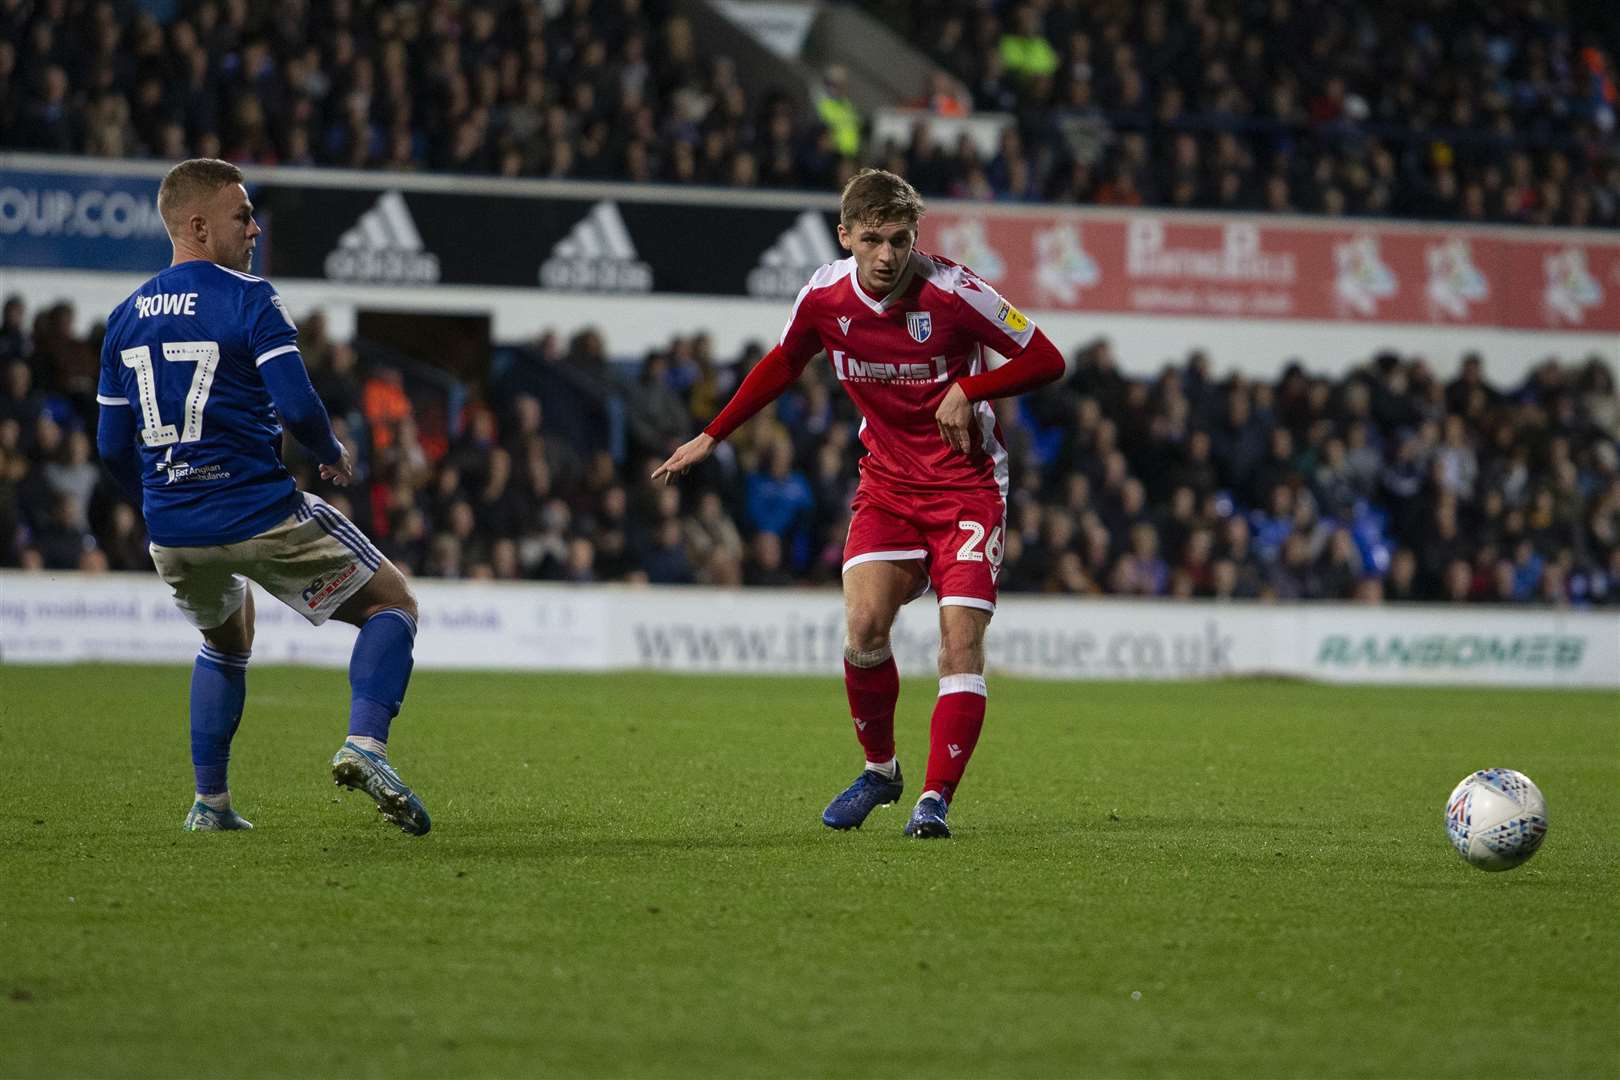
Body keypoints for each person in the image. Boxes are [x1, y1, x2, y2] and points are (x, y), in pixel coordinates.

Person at [653, 169, 1064, 838]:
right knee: (865, 629)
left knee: (960, 643)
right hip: (889, 487)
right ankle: (880, 771)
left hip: (967, 488)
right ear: (845, 236)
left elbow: (1047, 358)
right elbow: (784, 362)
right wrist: (711, 433)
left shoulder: (956, 292)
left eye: (900, 240)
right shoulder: (822, 296)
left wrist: (974, 388)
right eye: (871, 240)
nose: (886, 256)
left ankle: (934, 800)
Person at [95, 159, 431, 835]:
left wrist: (161, 504)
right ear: (197, 225)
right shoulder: (250, 298)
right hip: (258, 510)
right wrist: (332, 454)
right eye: (241, 215)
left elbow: (110, 447)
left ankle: (210, 803)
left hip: (174, 530)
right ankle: (365, 745)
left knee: (226, 640)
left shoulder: (124, 318)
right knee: (393, 603)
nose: (254, 229)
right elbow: (298, 408)